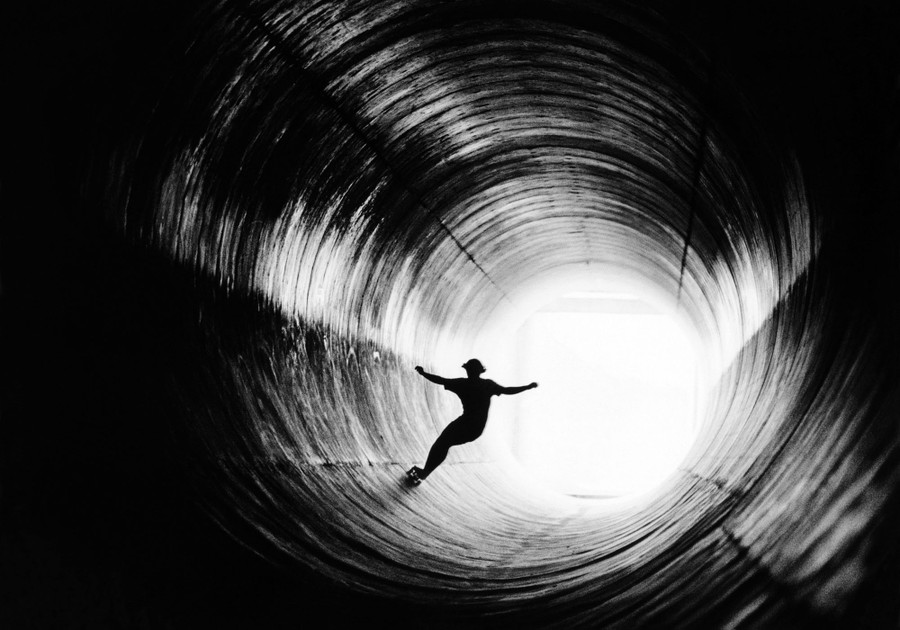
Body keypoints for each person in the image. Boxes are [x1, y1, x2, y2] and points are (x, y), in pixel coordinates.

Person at [407, 359, 537, 484]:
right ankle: (424, 472)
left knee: (442, 443)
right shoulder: (486, 385)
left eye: (470, 370)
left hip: (468, 424)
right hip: (475, 428)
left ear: (469, 371)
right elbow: (506, 390)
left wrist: (423, 373)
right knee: (443, 443)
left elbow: (441, 380)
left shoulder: (466, 384)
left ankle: (425, 472)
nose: (470, 372)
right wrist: (527, 387)